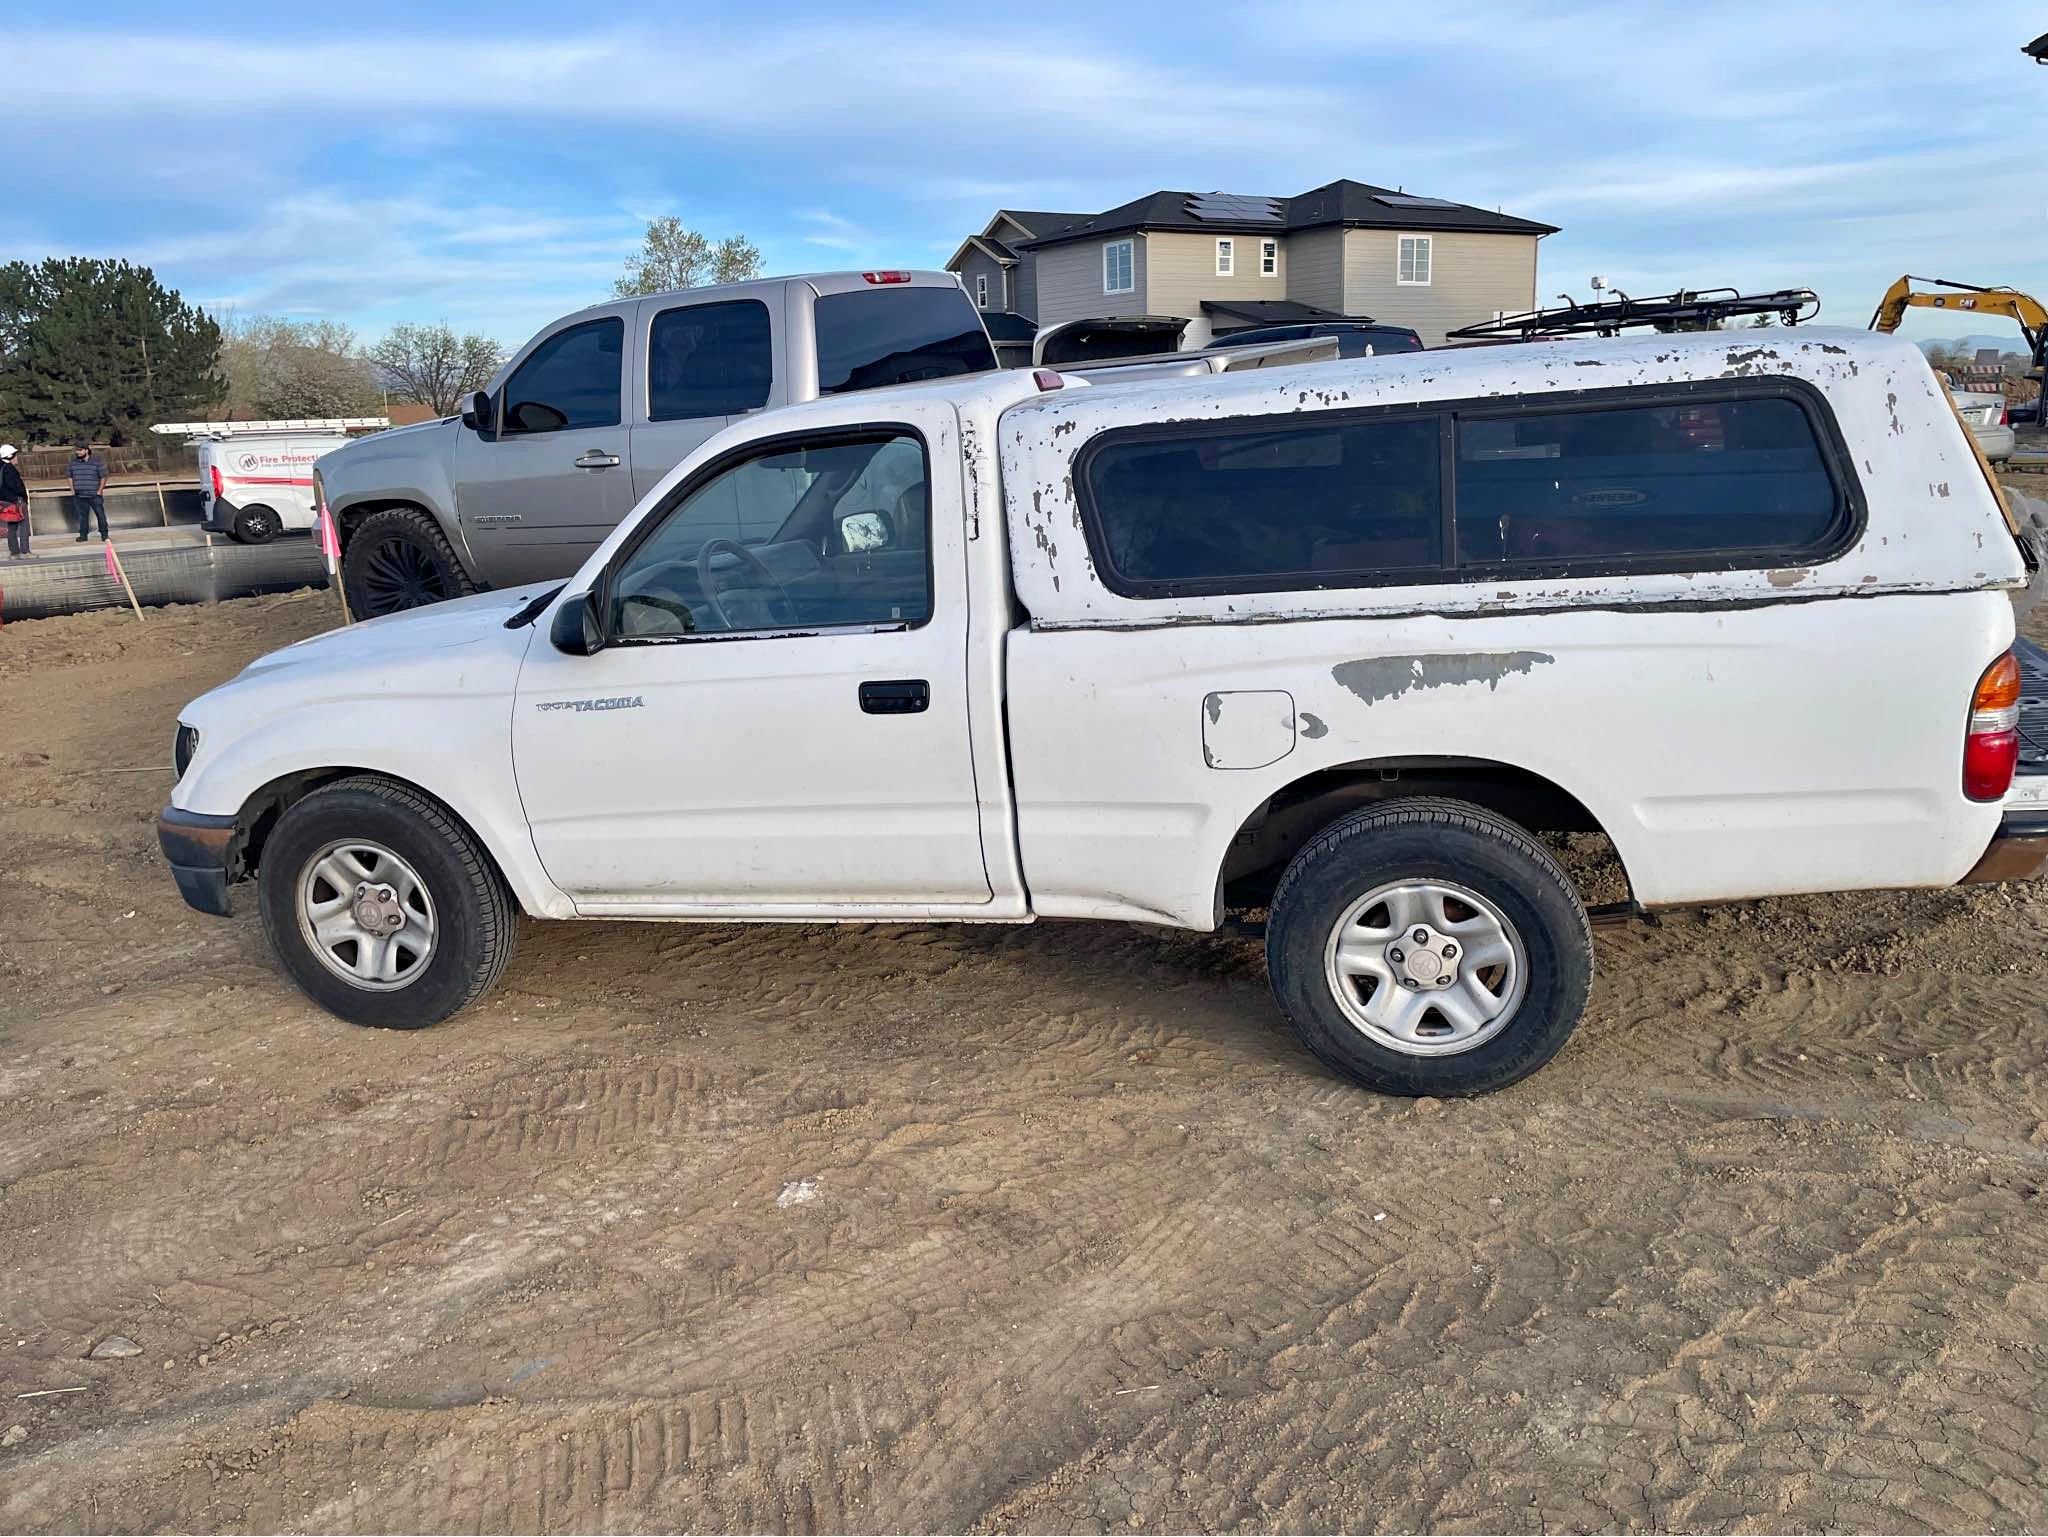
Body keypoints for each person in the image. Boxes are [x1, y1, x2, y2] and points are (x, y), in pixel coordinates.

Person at [68, 441, 108, 542]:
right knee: (82, 516)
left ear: (86, 450)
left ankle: (104, 535)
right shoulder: (73, 463)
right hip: (79, 495)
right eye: (77, 450)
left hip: (94, 494)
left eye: (80, 450)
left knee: (100, 515)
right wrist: (72, 490)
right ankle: (83, 536)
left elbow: (103, 477)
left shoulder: (96, 462)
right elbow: (69, 476)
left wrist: (100, 490)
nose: (78, 452)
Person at [0, 445, 28, 560]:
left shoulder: (1, 467)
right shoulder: (9, 469)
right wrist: (22, 495)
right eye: (15, 455)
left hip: (5, 502)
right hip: (16, 500)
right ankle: (25, 551)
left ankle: (14, 553)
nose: (17, 458)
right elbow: (15, 486)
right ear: (10, 456)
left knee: (11, 527)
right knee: (24, 525)